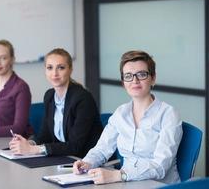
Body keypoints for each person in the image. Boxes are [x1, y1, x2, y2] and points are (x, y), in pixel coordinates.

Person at [73, 50, 183, 184]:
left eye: (141, 74)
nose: (135, 80)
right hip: (127, 184)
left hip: (159, 185)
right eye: (128, 76)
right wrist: (86, 163)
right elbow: (102, 149)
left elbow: (160, 167)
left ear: (153, 78)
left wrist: (119, 175)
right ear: (123, 82)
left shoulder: (168, 114)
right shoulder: (120, 113)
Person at [9, 48, 103, 158]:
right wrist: (28, 144)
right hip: (64, 159)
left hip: (86, 161)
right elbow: (45, 135)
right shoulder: (49, 96)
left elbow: (75, 146)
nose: (55, 73)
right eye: (50, 68)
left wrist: (33, 150)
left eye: (61, 68)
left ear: (70, 70)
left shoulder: (82, 98)